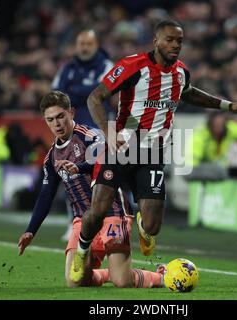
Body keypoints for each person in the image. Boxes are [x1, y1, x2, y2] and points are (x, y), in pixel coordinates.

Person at [69, 19, 237, 284]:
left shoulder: (181, 72)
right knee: (98, 210)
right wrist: (109, 131)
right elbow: (95, 98)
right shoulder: (132, 66)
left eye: (179, 41)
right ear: (156, 41)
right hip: (122, 148)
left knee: (152, 226)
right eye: (170, 40)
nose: (175, 45)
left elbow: (190, 93)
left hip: (153, 154)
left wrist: (229, 106)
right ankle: (82, 249)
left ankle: (142, 225)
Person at [17, 91, 164, 288]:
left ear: (72, 113)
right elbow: (46, 195)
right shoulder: (51, 157)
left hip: (112, 212)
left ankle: (159, 276)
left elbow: (104, 160)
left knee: (123, 282)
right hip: (82, 220)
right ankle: (106, 274)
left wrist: (80, 167)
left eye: (61, 116)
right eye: (50, 120)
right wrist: (30, 231)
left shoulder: (90, 136)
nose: (57, 124)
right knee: (75, 282)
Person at [52, 29, 115, 241]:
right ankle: (76, 222)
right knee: (71, 176)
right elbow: (56, 97)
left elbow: (96, 94)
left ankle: (109, 222)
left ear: (97, 45)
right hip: (72, 131)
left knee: (101, 178)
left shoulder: (106, 65)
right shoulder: (67, 67)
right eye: (81, 43)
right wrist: (82, 92)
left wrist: (75, 93)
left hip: (99, 132)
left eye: (88, 43)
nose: (84, 48)